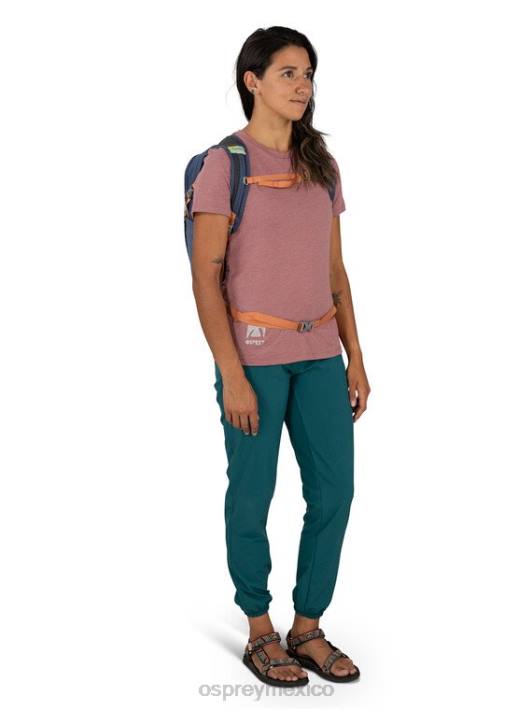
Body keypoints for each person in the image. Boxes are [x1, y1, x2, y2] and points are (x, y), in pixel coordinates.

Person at [190, 26, 370, 686]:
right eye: (288, 73)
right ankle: (260, 629)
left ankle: (307, 627)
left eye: (308, 74)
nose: (303, 85)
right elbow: (206, 277)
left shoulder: (322, 166)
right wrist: (231, 373)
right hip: (255, 360)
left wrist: (355, 357)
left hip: (320, 354)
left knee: (335, 492)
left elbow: (335, 272)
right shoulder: (224, 165)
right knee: (253, 494)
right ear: (253, 81)